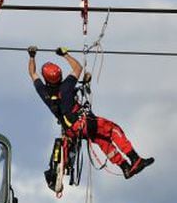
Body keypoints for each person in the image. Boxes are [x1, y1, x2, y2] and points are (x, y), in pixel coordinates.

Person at [27, 46, 154, 179]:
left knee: (103, 141)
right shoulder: (66, 86)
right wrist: (65, 54)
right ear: (60, 76)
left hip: (73, 130)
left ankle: (125, 168)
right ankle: (135, 159)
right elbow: (78, 68)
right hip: (83, 123)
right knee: (113, 129)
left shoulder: (44, 92)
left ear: (46, 79)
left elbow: (32, 73)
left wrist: (31, 56)